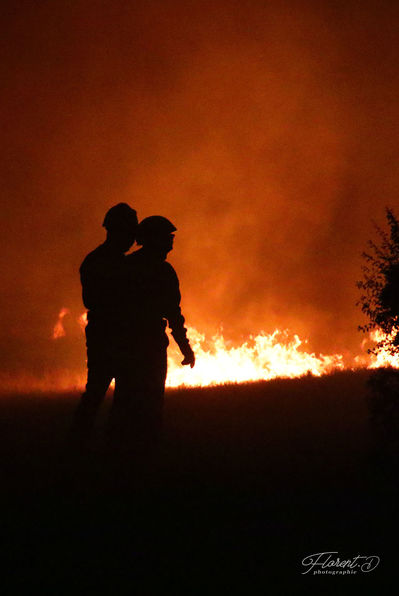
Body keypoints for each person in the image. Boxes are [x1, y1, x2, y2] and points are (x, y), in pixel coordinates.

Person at [107, 215, 195, 452]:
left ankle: (120, 450)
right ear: (155, 239)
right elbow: (173, 314)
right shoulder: (163, 271)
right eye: (168, 236)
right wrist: (185, 347)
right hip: (148, 346)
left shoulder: (126, 266)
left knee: (126, 398)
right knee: (151, 399)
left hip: (127, 344)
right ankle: (146, 448)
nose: (171, 241)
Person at [70, 203, 138, 447]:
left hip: (110, 333)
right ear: (117, 231)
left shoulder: (99, 260)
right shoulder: (107, 263)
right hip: (107, 334)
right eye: (129, 234)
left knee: (115, 392)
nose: (132, 240)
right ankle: (83, 441)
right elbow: (91, 300)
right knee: (100, 389)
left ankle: (109, 440)